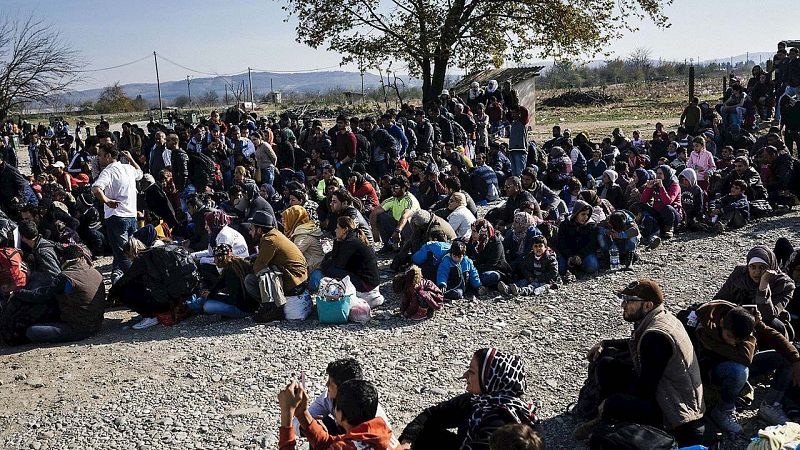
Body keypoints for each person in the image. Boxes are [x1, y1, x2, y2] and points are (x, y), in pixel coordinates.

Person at [581, 279, 705, 446]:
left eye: (629, 301)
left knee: (614, 403)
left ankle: (610, 422)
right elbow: (636, 344)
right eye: (623, 300)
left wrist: (611, 403)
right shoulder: (661, 317)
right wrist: (606, 344)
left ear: (647, 305)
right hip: (671, 392)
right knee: (607, 364)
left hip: (674, 410)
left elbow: (645, 390)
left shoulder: (656, 337)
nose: (623, 305)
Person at [691, 301, 799, 433]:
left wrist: (796, 358)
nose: (732, 342)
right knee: (739, 371)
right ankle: (723, 410)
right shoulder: (706, 328)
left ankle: (770, 405)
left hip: (740, 363)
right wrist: (749, 339)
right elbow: (745, 358)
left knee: (786, 358)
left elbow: (771, 335)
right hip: (713, 371)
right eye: (729, 336)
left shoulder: (742, 319)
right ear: (721, 323)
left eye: (738, 340)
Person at [399, 348, 538, 450]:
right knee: (425, 433)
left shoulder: (501, 420)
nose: (465, 375)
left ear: (488, 380)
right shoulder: (478, 402)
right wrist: (407, 442)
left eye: (471, 372)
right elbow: (431, 415)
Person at [10, 245, 105, 343]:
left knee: (31, 332)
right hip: (96, 324)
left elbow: (41, 296)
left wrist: (17, 292)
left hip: (79, 329)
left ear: (63, 259)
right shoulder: (95, 272)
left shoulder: (66, 277)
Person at [278, 379, 401, 450]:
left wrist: (287, 414)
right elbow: (327, 442)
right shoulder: (383, 433)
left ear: (341, 415)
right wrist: (302, 413)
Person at [109, 239, 200, 330]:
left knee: (122, 291)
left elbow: (125, 280)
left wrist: (111, 294)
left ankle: (149, 317)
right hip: (178, 297)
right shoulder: (155, 254)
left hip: (164, 302)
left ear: (130, 252)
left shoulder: (141, 260)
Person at [293, 358, 392, 437]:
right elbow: (296, 423)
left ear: (343, 389)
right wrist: (309, 427)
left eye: (331, 383)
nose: (326, 384)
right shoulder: (328, 398)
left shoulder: (372, 415)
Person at [715, 245, 796, 337]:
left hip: (763, 324)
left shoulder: (784, 285)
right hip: (736, 317)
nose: (756, 272)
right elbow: (719, 300)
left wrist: (763, 286)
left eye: (762, 267)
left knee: (776, 326)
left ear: (771, 267)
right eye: (752, 267)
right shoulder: (740, 275)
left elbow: (768, 316)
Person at [243, 211, 308, 319]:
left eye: (252, 229)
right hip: (300, 279)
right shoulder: (275, 234)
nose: (250, 232)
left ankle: (271, 308)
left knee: (251, 279)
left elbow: (258, 267)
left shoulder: (269, 240)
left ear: (259, 230)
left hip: (294, 283)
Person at [91, 144, 143, 276]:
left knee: (123, 254)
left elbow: (96, 188)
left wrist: (107, 201)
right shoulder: (128, 168)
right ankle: (121, 275)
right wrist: (131, 159)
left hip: (116, 217)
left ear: (108, 156)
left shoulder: (108, 171)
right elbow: (140, 174)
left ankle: (134, 280)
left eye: (100, 155)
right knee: (132, 251)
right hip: (131, 216)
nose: (98, 158)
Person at [186, 243, 258, 318]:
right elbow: (219, 284)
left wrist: (212, 296)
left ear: (220, 258)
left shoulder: (232, 272)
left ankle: (193, 307)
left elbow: (233, 299)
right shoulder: (233, 265)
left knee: (208, 306)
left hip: (244, 309)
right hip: (248, 305)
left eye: (215, 258)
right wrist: (210, 292)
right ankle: (194, 305)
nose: (214, 260)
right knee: (204, 299)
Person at [369, 176, 420, 253]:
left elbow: (405, 216)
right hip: (398, 226)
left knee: (407, 220)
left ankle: (407, 245)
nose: (392, 190)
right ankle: (388, 245)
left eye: (396, 187)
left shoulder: (410, 200)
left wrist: (397, 231)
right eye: (391, 187)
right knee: (380, 216)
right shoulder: (393, 199)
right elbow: (374, 213)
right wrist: (374, 230)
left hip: (411, 229)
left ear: (403, 188)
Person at [553, 200, 598, 280]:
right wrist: (569, 255)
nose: (586, 217)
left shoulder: (591, 225)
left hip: (584, 255)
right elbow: (561, 243)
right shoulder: (565, 224)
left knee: (592, 265)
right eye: (583, 214)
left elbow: (592, 244)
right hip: (568, 254)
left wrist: (580, 256)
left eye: (588, 214)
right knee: (560, 268)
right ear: (576, 213)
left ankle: (578, 268)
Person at [639, 165, 682, 239]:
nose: (658, 176)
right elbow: (643, 200)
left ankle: (669, 228)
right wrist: (648, 188)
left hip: (673, 215)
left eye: (660, 174)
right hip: (658, 212)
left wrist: (661, 187)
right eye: (657, 174)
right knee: (640, 205)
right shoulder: (655, 185)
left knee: (667, 208)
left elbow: (668, 202)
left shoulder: (674, 185)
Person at [282, 205, 325, 272]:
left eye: (285, 220)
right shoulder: (300, 231)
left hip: (314, 268)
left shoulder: (303, 234)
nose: (283, 223)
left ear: (293, 220)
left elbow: (292, 254)